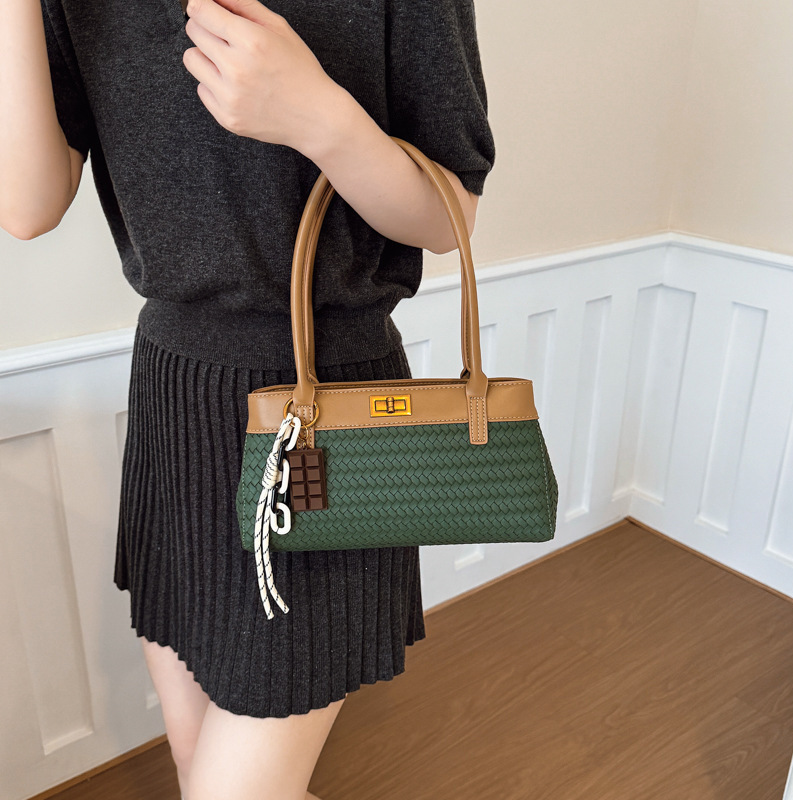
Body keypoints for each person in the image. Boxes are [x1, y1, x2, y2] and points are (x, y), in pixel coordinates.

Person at [1, 0, 495, 796]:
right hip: (175, 396)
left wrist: (318, 114)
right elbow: (27, 206)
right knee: (195, 760)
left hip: (326, 418)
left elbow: (447, 215)